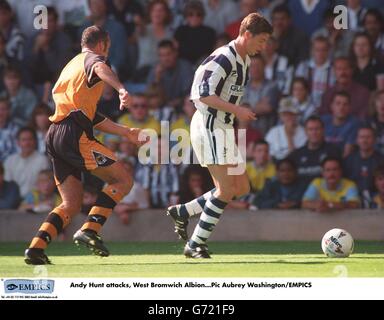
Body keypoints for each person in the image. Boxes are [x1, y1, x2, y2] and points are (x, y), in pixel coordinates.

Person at [24, 26, 144, 265]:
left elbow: (91, 116)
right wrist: (121, 89)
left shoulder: (72, 66)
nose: (107, 53)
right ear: (102, 44)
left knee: (71, 203)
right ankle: (90, 230)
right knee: (123, 180)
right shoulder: (94, 59)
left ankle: (36, 249)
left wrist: (125, 131)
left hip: (55, 135)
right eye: (107, 48)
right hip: (74, 134)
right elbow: (99, 67)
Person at [166, 13, 272, 258]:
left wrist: (234, 116)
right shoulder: (224, 57)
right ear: (247, 35)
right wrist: (238, 110)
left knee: (241, 186)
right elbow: (201, 94)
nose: (264, 46)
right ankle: (195, 244)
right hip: (210, 126)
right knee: (225, 190)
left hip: (222, 128)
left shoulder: (244, 59)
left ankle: (183, 211)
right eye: (262, 40)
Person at [289, 116, 341, 186]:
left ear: (323, 130)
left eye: (317, 129)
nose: (314, 132)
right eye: (310, 129)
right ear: (305, 131)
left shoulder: (333, 152)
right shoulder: (296, 155)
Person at [4, 127, 50, 198]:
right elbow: (6, 185)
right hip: (13, 201)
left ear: (35, 141)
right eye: (23, 140)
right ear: (18, 143)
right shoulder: (10, 161)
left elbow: (45, 185)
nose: (27, 143)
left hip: (35, 200)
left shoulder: (43, 160)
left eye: (30, 139)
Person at [344, 126, 383, 208]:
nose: (364, 140)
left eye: (368, 137)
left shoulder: (381, 160)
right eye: (362, 137)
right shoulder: (348, 160)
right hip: (353, 201)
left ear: (374, 140)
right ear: (357, 140)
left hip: (377, 202)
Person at [321, 91, 360, 158]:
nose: (341, 107)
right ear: (332, 106)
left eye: (345, 104)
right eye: (338, 103)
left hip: (342, 162)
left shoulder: (354, 123)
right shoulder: (322, 121)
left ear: (349, 107)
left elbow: (347, 152)